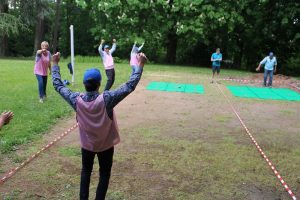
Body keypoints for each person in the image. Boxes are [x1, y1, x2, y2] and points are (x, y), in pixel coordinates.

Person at [51, 51, 147, 200]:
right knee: (104, 173)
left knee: (86, 171)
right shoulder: (107, 99)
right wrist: (140, 65)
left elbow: (58, 85)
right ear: (99, 84)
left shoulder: (76, 99)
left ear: (84, 84)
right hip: (106, 146)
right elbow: (130, 86)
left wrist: (55, 64)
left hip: (87, 146)